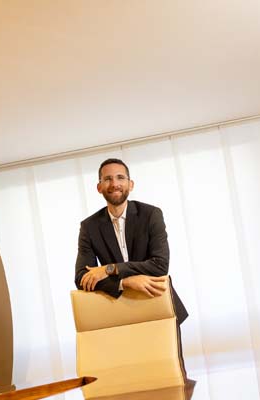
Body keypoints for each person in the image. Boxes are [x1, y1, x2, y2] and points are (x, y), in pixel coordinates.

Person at [74, 158, 190, 377]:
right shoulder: (89, 227)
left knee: (170, 378)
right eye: (107, 179)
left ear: (131, 184)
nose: (114, 184)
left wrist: (110, 269)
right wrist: (126, 282)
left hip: (158, 306)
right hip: (118, 315)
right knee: (131, 381)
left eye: (120, 178)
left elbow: (160, 265)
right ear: (99, 187)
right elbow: (81, 277)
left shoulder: (151, 214)